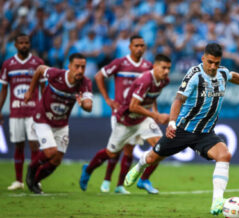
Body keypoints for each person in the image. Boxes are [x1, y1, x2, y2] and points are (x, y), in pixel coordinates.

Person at [124, 43, 239, 215]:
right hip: (183, 129)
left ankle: (217, 201)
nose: (213, 66)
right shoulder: (194, 75)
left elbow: (232, 76)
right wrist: (172, 123)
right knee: (153, 157)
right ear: (203, 58)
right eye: (210, 62)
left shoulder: (221, 72)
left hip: (205, 132)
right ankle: (139, 167)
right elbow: (178, 100)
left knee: (224, 155)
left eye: (217, 63)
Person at [79, 54, 171, 194]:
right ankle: (89, 169)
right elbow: (133, 107)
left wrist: (155, 112)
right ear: (155, 66)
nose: (166, 71)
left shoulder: (164, 80)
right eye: (163, 68)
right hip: (125, 120)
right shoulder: (145, 80)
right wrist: (156, 115)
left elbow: (152, 96)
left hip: (142, 119)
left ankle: (143, 179)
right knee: (111, 153)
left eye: (169, 68)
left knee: (162, 148)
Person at [93, 35, 160, 194]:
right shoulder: (120, 63)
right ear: (130, 47)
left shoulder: (148, 66)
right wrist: (107, 99)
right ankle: (106, 180)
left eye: (142, 46)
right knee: (116, 150)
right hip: (120, 113)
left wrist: (154, 111)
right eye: (136, 45)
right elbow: (98, 76)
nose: (139, 48)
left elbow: (153, 91)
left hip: (138, 116)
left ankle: (120, 185)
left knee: (130, 150)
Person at [24, 53, 93, 194]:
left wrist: (83, 105)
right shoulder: (56, 74)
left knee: (56, 160)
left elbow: (89, 106)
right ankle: (31, 169)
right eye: (77, 66)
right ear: (69, 66)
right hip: (43, 118)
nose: (80, 70)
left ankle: (35, 181)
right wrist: (31, 91)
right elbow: (39, 69)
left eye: (83, 67)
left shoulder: (85, 83)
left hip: (61, 123)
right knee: (50, 152)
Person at [0, 33, 45, 190]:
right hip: (16, 112)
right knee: (18, 146)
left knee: (34, 146)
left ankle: (34, 179)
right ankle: (18, 181)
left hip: (34, 113)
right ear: (15, 45)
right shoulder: (8, 64)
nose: (24, 45)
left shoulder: (38, 63)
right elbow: (4, 89)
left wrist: (44, 108)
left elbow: (44, 88)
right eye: (21, 43)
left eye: (26, 42)